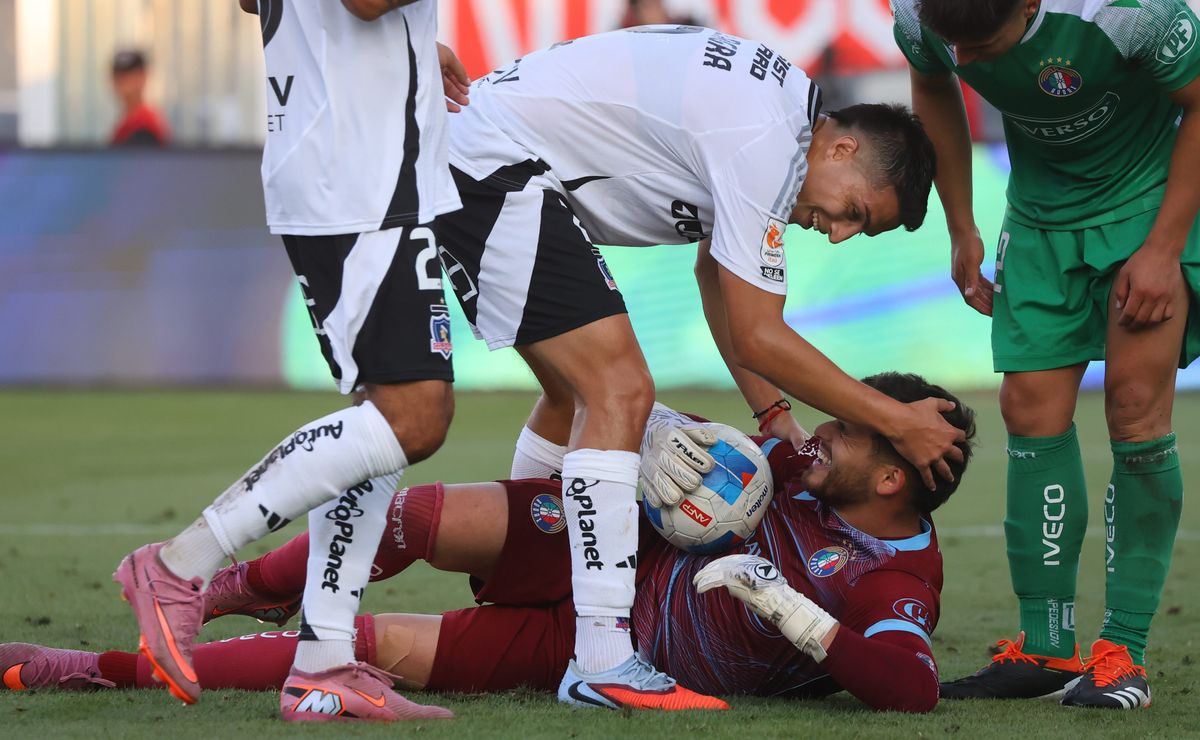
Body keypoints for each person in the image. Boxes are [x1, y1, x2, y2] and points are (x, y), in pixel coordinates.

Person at [432, 25, 966, 710]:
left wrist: (775, 417)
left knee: (578, 394)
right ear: (843, 147)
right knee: (616, 392)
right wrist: (896, 420)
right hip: (493, 167)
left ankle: (532, 569)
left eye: (856, 231)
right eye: (855, 213)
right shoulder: (766, 145)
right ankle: (597, 653)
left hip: (488, 159)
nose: (836, 233)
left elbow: (715, 273)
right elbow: (759, 336)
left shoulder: (778, 117)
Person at [3, 372, 975, 715]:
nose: (822, 433)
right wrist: (666, 431)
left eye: (851, 427)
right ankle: (214, 590)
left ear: (894, 477)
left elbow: (910, 688)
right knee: (412, 518)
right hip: (607, 549)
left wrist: (782, 601)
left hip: (615, 653)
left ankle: (92, 668)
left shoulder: (900, 575)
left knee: (370, 651)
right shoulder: (795, 464)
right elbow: (708, 453)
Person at [113, 0, 470, 722]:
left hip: (351, 155)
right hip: (359, 172)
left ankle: (323, 662)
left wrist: (400, 53)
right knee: (415, 416)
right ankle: (178, 565)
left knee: (387, 417)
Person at [891, 0, 1200, 709]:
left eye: (984, 43)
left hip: (1150, 205)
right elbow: (932, 82)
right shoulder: (919, 13)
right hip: (1037, 217)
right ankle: (1047, 644)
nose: (965, 61)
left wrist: (1163, 249)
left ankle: (1123, 652)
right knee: (1028, 408)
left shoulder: (1127, 13)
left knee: (1134, 409)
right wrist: (960, 224)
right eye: (951, 43)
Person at [109, 49, 170, 147]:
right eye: (118, 75)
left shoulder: (144, 124)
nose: (123, 81)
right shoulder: (128, 120)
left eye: (130, 75)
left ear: (143, 76)